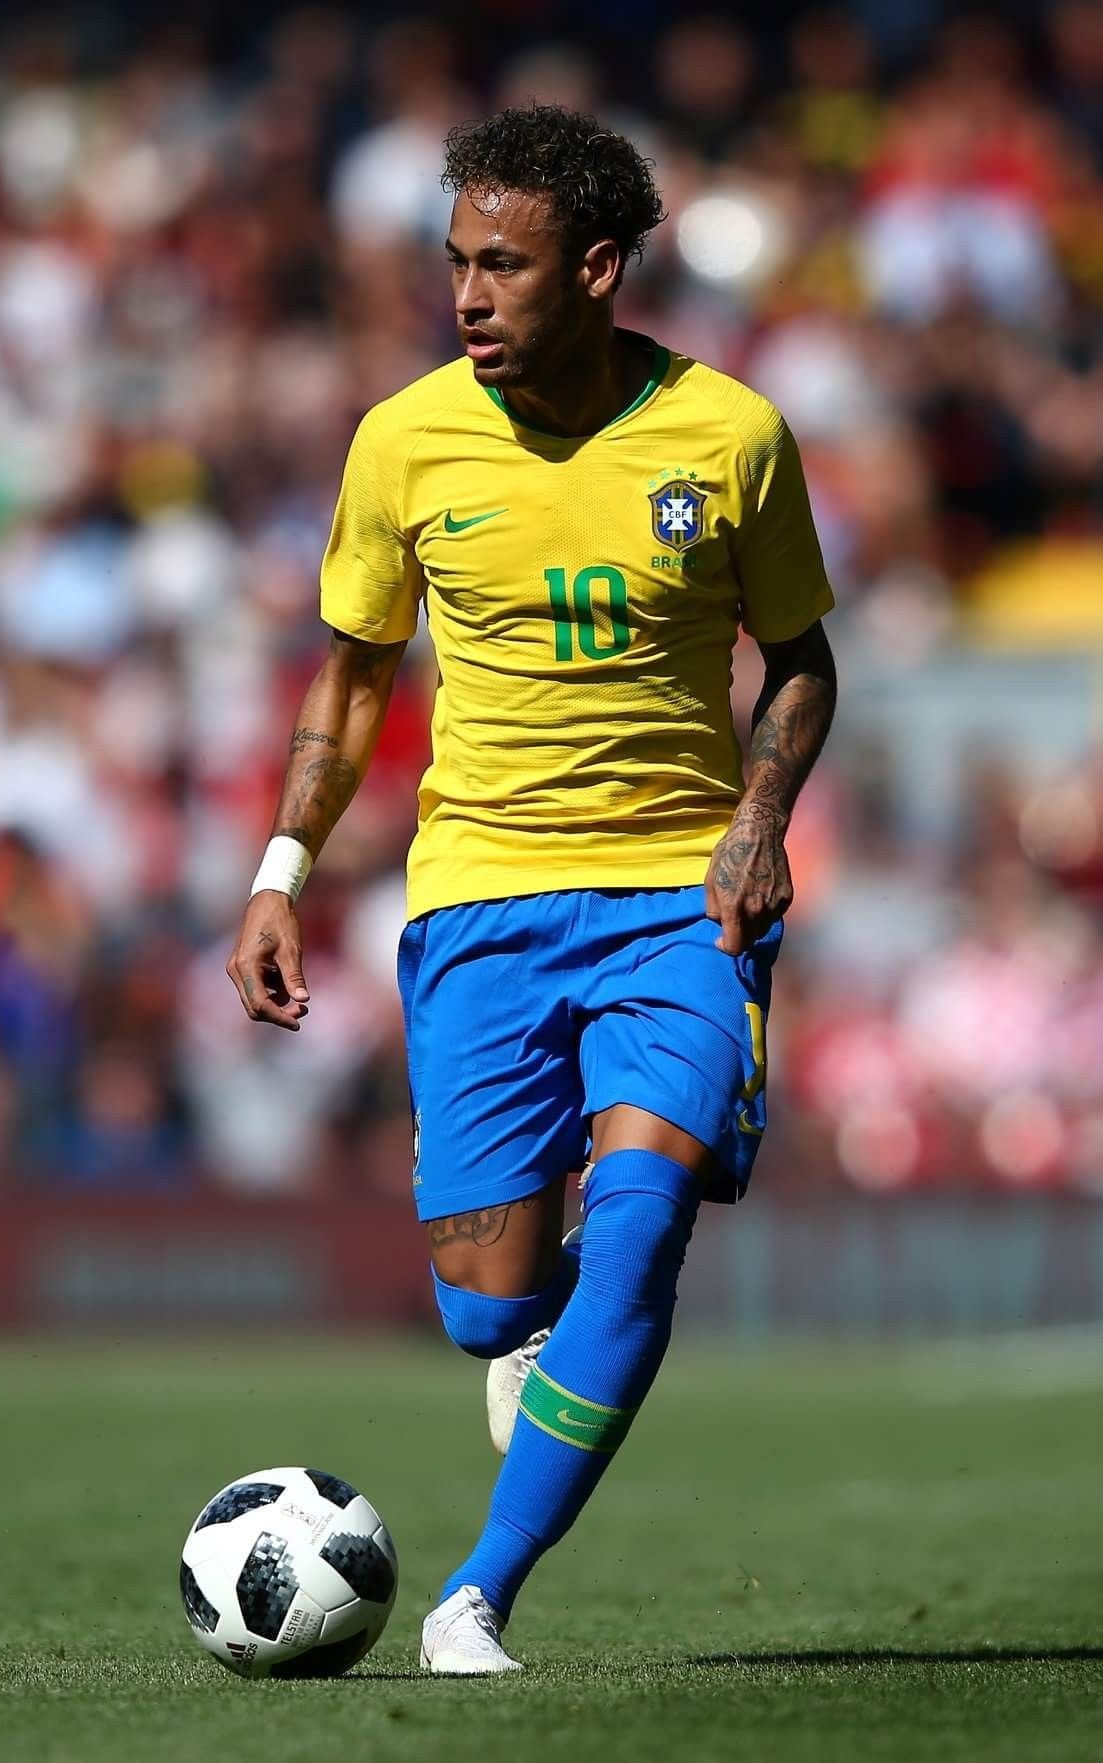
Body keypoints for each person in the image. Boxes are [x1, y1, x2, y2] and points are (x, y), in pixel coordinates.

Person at [227, 103, 837, 1674]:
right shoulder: (404, 440)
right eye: (456, 263)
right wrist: (282, 869)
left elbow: (802, 663)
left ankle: (476, 1596)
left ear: (599, 267)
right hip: (480, 900)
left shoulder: (733, 437)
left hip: (679, 898)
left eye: (503, 265)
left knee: (640, 1218)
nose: (468, 295)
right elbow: (352, 679)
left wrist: (760, 815)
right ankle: (558, 1332)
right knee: (491, 1309)